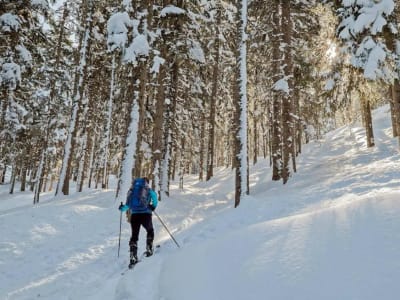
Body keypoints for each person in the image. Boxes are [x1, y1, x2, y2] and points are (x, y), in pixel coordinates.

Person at [119, 177, 158, 268]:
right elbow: (154, 197)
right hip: (146, 214)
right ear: (146, 182)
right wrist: (153, 206)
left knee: (134, 235)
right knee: (150, 230)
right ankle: (149, 248)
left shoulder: (132, 191)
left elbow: (128, 205)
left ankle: (133, 256)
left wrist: (122, 208)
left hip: (135, 215)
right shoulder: (148, 189)